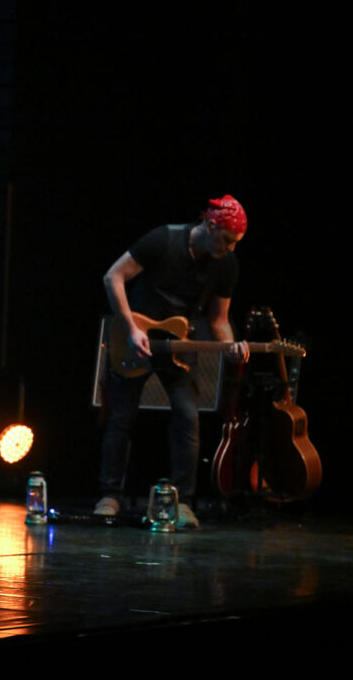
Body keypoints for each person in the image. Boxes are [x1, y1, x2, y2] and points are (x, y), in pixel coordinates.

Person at [95, 195, 250, 528]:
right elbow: (113, 277)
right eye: (227, 240)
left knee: (188, 417)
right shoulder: (164, 239)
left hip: (179, 345)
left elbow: (219, 319)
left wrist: (230, 347)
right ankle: (110, 495)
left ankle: (183, 501)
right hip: (137, 340)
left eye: (236, 243)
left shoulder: (226, 265)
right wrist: (131, 329)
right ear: (210, 224)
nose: (231, 248)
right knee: (121, 417)